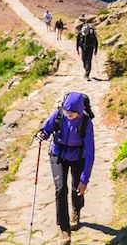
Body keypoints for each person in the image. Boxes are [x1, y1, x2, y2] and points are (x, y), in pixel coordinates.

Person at [36, 92, 96, 245]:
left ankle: (76, 209)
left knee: (77, 188)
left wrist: (85, 179)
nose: (68, 115)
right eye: (66, 111)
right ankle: (64, 230)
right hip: (58, 154)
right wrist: (42, 134)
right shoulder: (59, 115)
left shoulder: (86, 123)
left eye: (72, 113)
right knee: (60, 188)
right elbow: (46, 129)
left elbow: (90, 153)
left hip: (78, 157)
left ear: (80, 110)